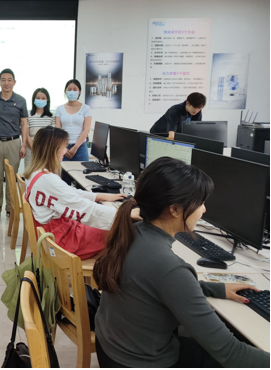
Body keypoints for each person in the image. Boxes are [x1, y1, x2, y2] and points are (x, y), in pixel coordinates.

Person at [93, 157, 269, 368]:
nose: (204, 210)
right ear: (175, 209)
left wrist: (217, 289)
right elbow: (231, 353)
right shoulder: (169, 267)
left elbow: (157, 285)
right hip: (143, 362)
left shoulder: (134, 231)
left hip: (113, 351)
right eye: (200, 203)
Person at [24, 126, 125, 259]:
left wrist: (100, 196)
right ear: (54, 150)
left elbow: (69, 192)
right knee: (122, 232)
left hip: (55, 235)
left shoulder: (35, 173)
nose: (66, 151)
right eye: (64, 147)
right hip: (63, 241)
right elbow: (85, 208)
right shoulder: (48, 180)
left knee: (111, 226)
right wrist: (124, 215)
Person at [0, 68, 29, 221]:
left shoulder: (21, 100)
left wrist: (23, 145)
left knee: (11, 178)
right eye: (3, 80)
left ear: (14, 82)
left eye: (9, 80)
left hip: (13, 143)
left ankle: (10, 208)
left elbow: (24, 124)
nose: (6, 83)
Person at [55, 79, 92, 162]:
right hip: (63, 147)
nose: (72, 91)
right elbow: (57, 130)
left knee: (82, 170)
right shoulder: (59, 109)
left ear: (79, 92)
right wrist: (63, 147)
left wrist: (75, 147)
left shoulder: (86, 108)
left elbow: (86, 130)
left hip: (80, 147)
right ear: (65, 92)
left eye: (75, 89)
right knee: (62, 170)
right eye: (69, 89)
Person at [26, 88, 56, 167]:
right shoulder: (28, 115)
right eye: (38, 98)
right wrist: (34, 149)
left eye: (43, 98)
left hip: (47, 151)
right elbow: (26, 134)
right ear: (33, 99)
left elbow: (53, 135)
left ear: (47, 100)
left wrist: (45, 149)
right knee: (30, 172)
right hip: (31, 150)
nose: (40, 100)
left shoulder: (52, 116)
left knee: (45, 172)